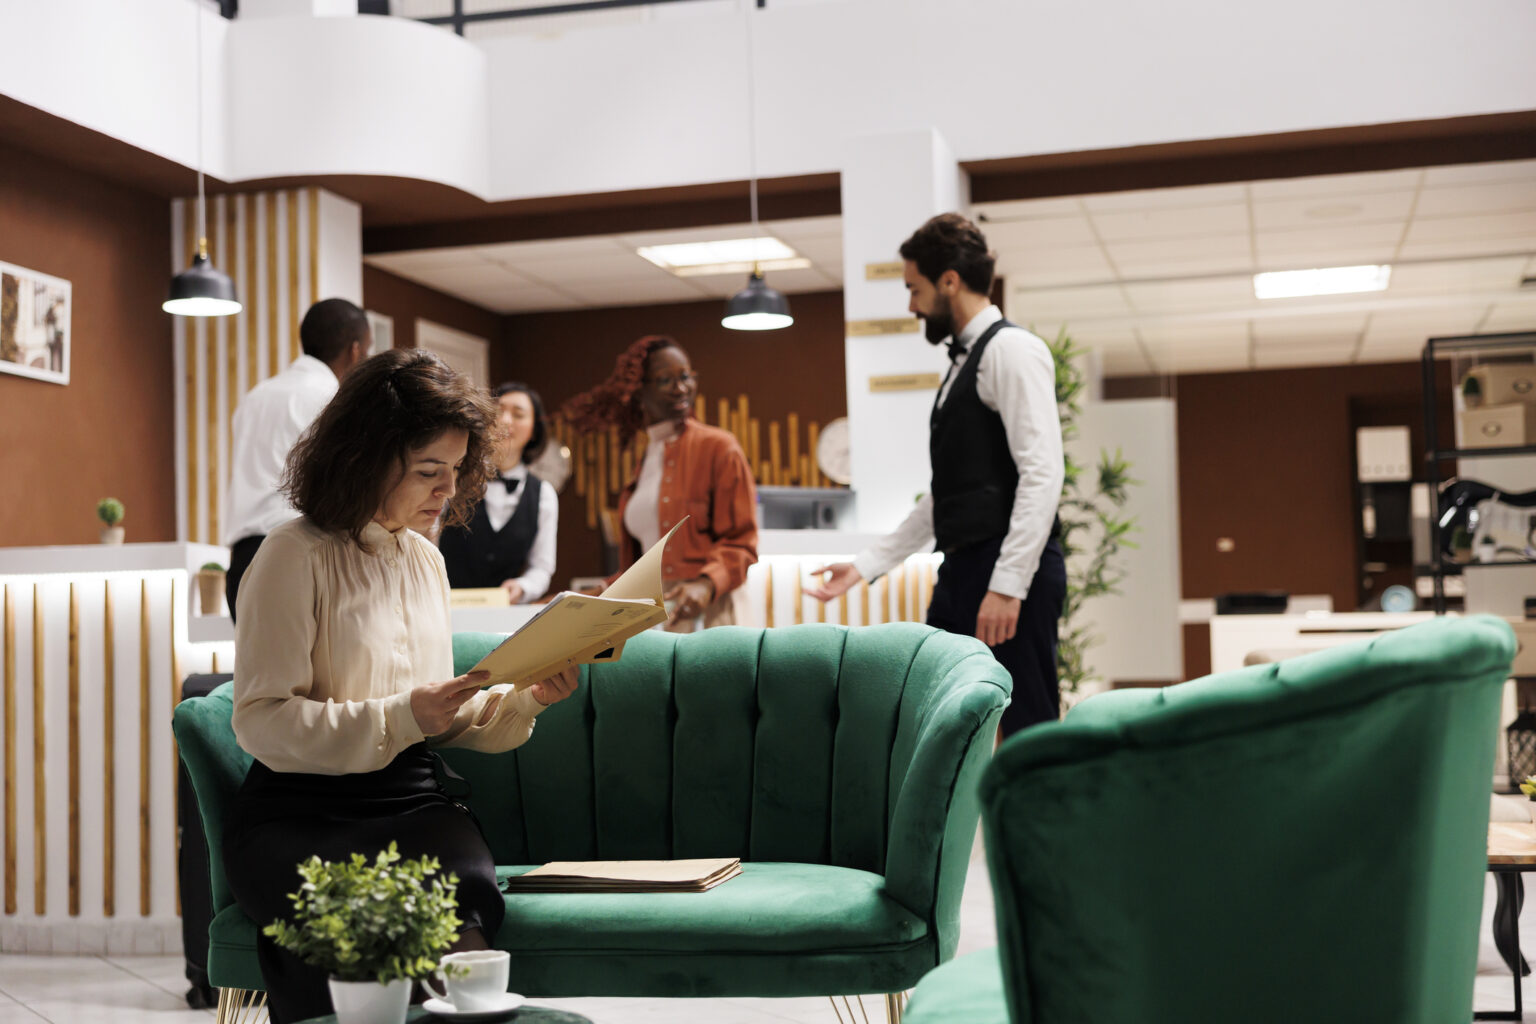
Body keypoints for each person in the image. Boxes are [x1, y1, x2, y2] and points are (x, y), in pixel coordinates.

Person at [223, 348, 580, 1024]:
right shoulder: (290, 555)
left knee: (463, 901)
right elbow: (262, 723)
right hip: (299, 812)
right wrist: (403, 714)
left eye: (455, 470)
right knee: (357, 926)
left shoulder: (424, 560)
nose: (448, 490)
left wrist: (529, 698)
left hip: (412, 800)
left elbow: (440, 718)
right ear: (366, 458)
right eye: (428, 471)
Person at [807, 213, 1065, 734]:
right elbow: (949, 493)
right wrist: (866, 564)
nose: (910, 305)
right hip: (963, 568)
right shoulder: (961, 364)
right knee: (937, 714)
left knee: (1025, 730)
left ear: (949, 280)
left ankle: (1041, 819)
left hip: (1007, 572)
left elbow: (1043, 473)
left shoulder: (1012, 351)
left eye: (914, 288)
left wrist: (1008, 586)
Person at [562, 335, 757, 630]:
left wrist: (705, 584)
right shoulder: (645, 461)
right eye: (666, 380)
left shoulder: (718, 446)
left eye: (686, 377)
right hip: (649, 618)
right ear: (638, 392)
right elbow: (644, 564)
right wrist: (597, 592)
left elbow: (741, 542)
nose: (682, 388)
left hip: (708, 614)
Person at [224, 297, 371, 620]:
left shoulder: (255, 397)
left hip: (242, 560)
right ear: (356, 350)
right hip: (299, 553)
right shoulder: (333, 400)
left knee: (256, 670)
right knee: (313, 670)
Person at [438, 383, 558, 602]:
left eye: (518, 414)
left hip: (506, 615)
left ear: (534, 430)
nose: (505, 420)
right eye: (499, 411)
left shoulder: (544, 495)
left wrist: (522, 587)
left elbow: (541, 567)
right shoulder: (453, 476)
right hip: (448, 608)